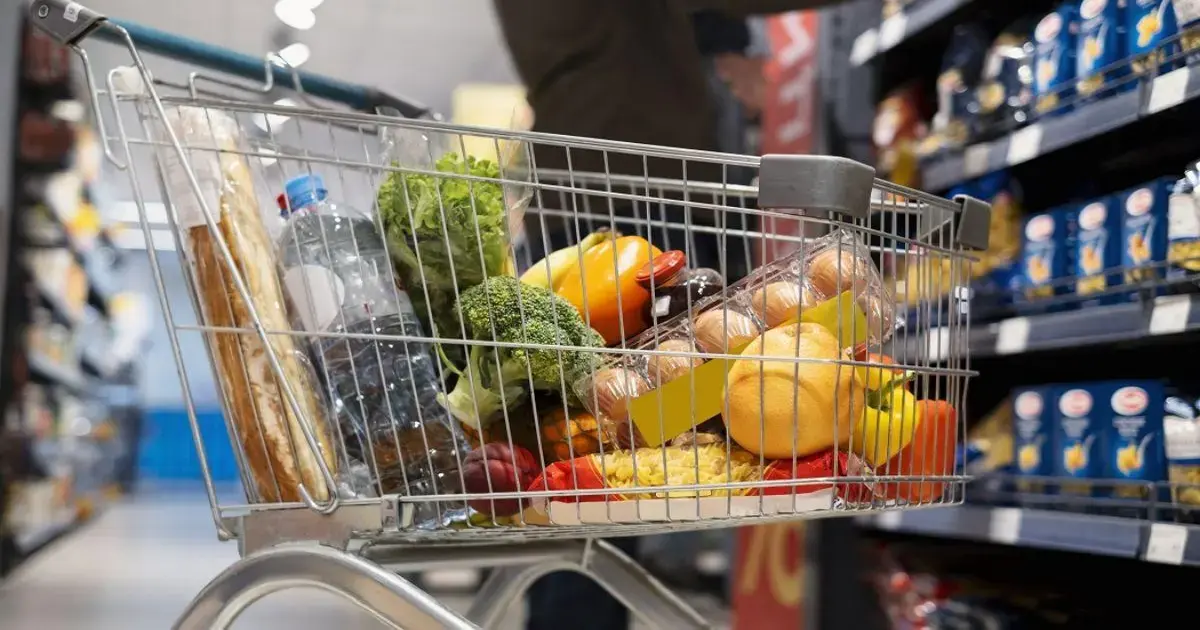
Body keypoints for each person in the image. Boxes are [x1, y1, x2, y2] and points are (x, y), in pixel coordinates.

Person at [491, 2, 846, 628]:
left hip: (592, 186)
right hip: (632, 197)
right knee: (610, 447)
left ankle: (570, 606)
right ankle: (571, 613)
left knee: (592, 451)